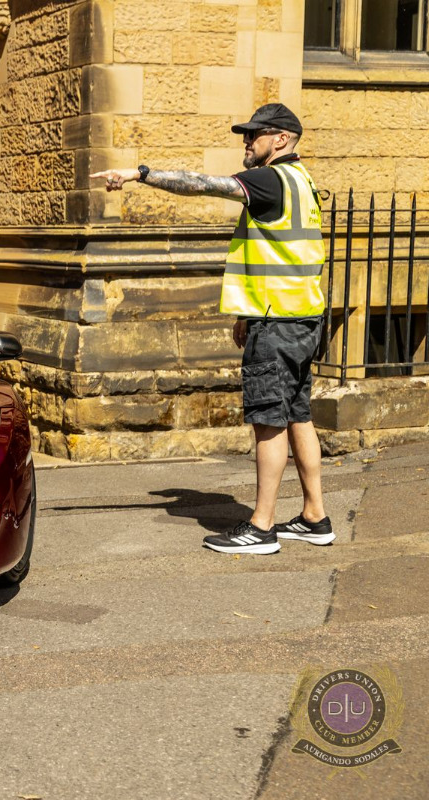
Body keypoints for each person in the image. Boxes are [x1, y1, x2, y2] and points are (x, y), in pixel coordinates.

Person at [90, 103, 335, 555]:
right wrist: (246, 314)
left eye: (255, 134)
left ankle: (261, 527)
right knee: (298, 415)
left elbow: (202, 184)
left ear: (280, 139)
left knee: (268, 420)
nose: (247, 140)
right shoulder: (303, 181)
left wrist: (139, 174)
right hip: (302, 317)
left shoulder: (268, 180)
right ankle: (314, 516)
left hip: (276, 324)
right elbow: (284, 252)